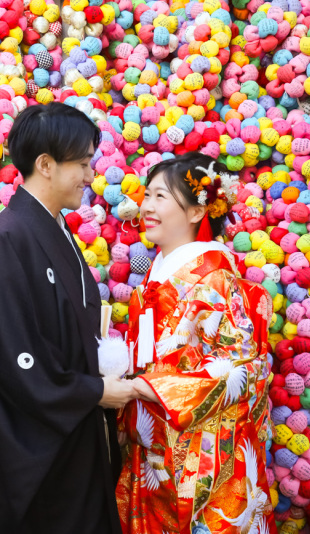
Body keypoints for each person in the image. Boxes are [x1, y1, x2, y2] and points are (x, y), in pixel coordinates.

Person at [0, 102, 138, 534]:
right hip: (42, 445)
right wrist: (95, 390)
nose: (90, 175)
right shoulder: (6, 237)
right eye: (82, 164)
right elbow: (12, 356)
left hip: (75, 430)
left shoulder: (54, 229)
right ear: (45, 165)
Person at [116, 153, 276, 534]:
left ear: (196, 211)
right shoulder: (157, 277)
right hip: (152, 449)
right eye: (147, 195)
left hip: (204, 456)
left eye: (160, 197)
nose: (146, 207)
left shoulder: (217, 280)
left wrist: (149, 388)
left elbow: (244, 368)